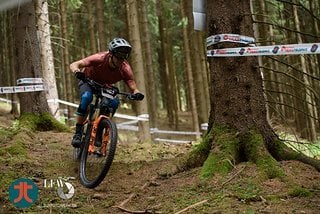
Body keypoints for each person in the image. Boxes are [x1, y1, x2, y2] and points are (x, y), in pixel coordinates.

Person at [69, 37, 144, 147]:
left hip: (105, 86)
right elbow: (75, 64)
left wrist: (136, 93)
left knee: (112, 103)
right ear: (111, 54)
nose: (121, 59)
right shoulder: (99, 58)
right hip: (89, 81)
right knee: (86, 97)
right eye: (119, 56)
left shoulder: (125, 68)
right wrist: (77, 72)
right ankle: (78, 133)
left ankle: (99, 130)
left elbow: (132, 85)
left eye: (124, 56)